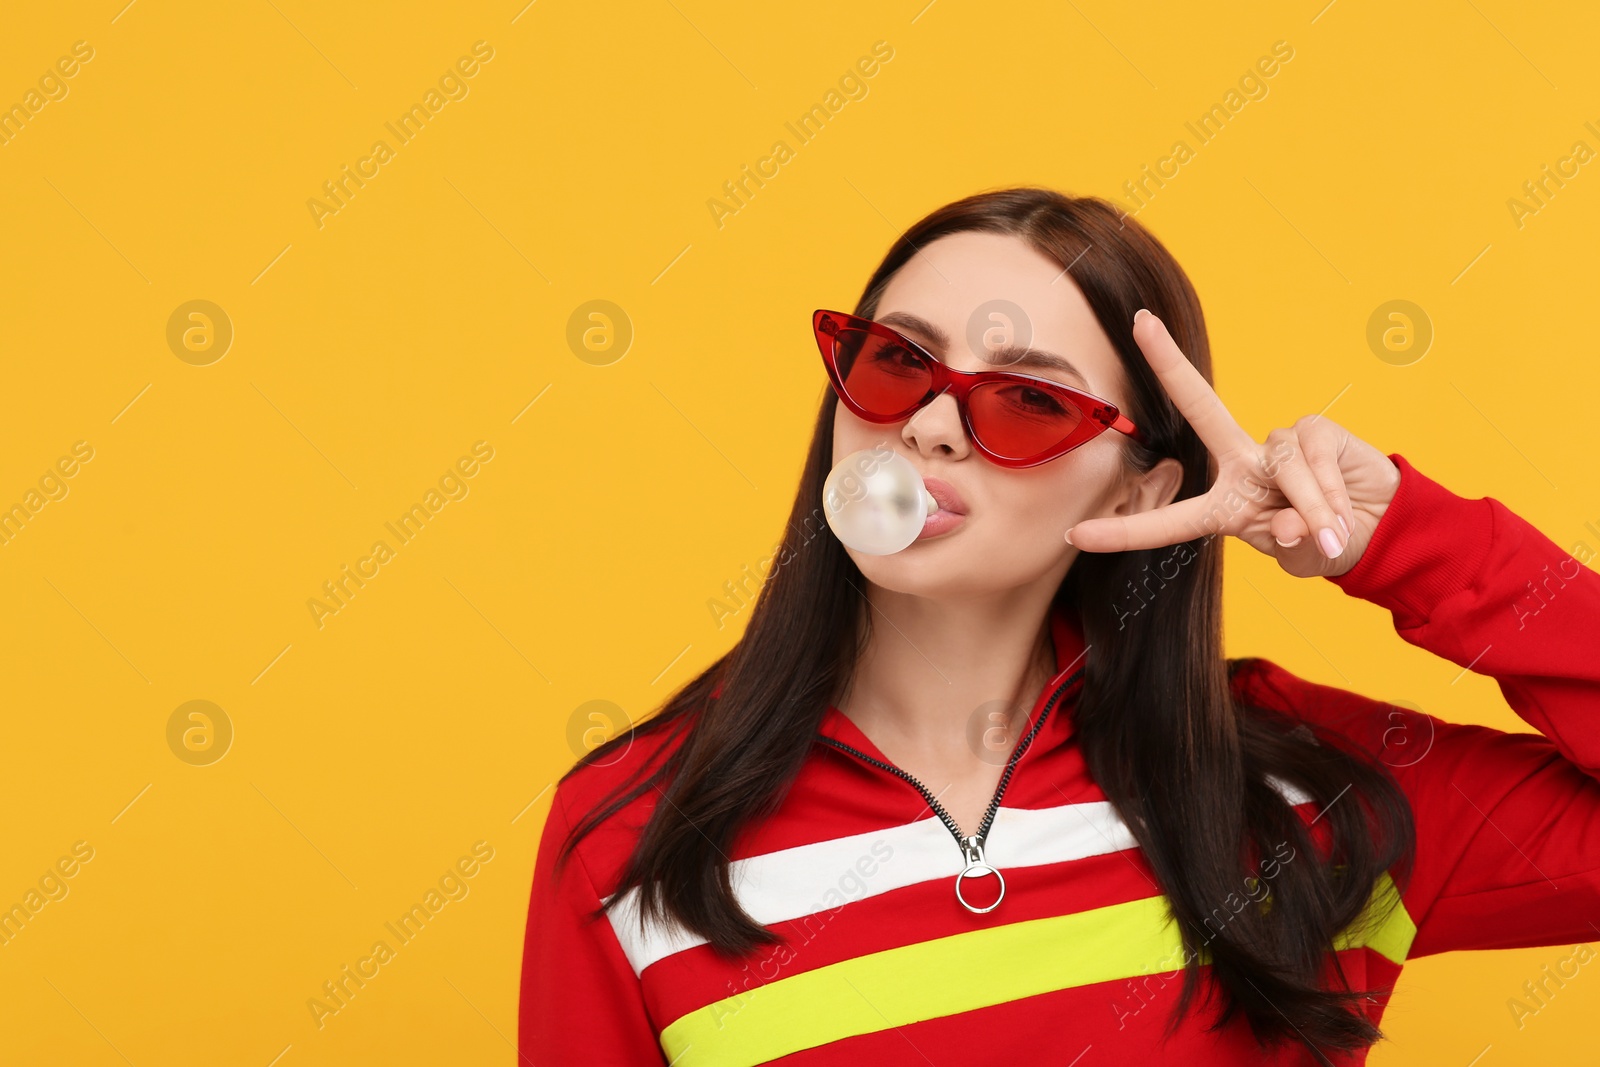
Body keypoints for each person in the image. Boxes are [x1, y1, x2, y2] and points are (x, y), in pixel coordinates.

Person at [518, 186, 1600, 1065]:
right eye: (899, 361)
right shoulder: (628, 836)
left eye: (1026, 400)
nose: (934, 426)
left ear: (1137, 494)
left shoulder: (1307, 797)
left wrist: (1404, 539)